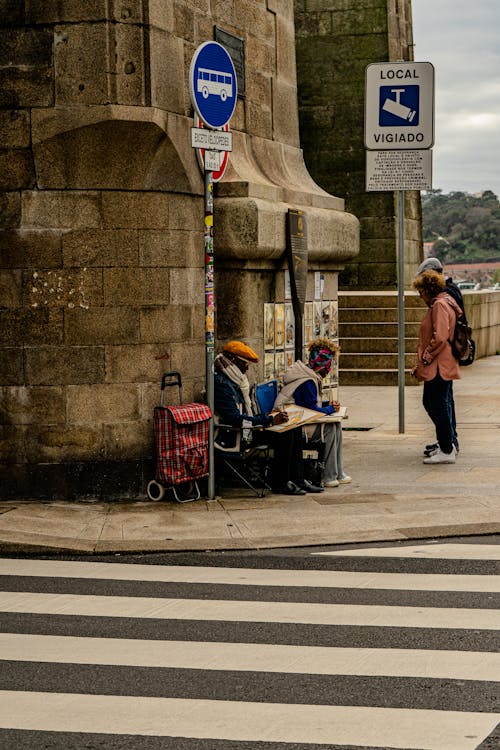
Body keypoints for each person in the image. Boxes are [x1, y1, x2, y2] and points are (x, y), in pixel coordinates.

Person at [213, 340, 323, 495]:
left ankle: (298, 478)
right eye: (244, 363)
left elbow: (246, 413)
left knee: (293, 427)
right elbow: (236, 419)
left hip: (246, 429)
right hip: (234, 435)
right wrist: (269, 420)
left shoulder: (236, 380)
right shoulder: (221, 383)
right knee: (284, 434)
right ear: (233, 361)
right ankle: (281, 483)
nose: (247, 367)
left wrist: (270, 417)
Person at [274, 337, 351, 488]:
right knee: (330, 428)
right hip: (293, 424)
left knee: (336, 425)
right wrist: (330, 409)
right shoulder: (307, 381)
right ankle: (329, 475)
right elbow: (311, 410)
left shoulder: (308, 376)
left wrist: (328, 405)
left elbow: (310, 404)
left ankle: (337, 472)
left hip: (298, 418)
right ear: (322, 365)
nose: (329, 369)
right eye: (328, 365)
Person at [411, 270, 462, 464]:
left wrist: (427, 355)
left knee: (437, 404)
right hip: (443, 363)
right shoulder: (446, 302)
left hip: (439, 365)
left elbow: (440, 336)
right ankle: (446, 444)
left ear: (428, 290)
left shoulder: (439, 305)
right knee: (436, 402)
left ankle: (447, 448)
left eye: (421, 292)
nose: (420, 296)